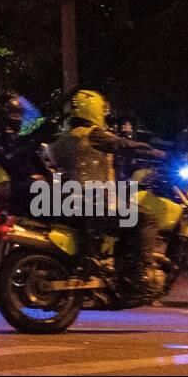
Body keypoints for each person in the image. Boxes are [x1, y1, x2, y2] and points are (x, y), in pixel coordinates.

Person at [46, 90, 164, 295]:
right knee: (146, 219)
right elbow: (123, 144)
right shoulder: (93, 134)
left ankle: (117, 269)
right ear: (93, 109)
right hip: (94, 200)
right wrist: (158, 153)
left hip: (66, 202)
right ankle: (139, 277)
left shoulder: (59, 140)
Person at [0, 93, 50, 214]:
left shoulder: (13, 138)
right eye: (14, 114)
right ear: (1, 116)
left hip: (24, 191)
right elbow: (7, 162)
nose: (18, 119)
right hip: (16, 192)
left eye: (19, 114)